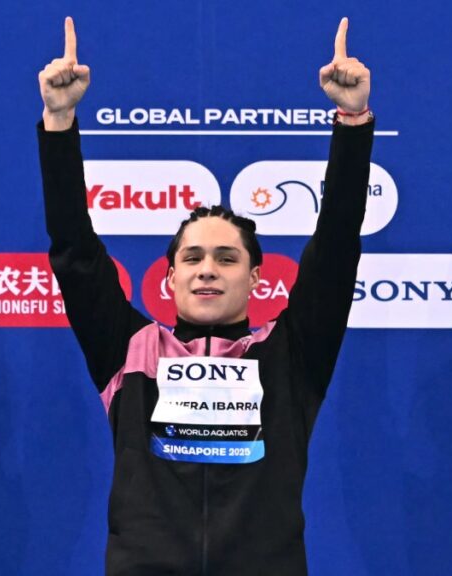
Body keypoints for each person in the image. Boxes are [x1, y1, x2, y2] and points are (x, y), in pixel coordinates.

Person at [37, 16, 375, 575]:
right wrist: (59, 119)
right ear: (169, 279)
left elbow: (337, 243)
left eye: (226, 257)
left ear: (257, 279)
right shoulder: (132, 349)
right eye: (191, 258)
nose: (207, 270)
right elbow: (74, 249)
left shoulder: (292, 354)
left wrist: (353, 120)